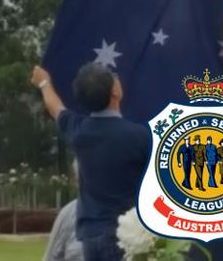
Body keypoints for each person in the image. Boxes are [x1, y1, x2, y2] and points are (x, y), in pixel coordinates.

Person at [31, 63, 151, 261]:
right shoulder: (140, 137)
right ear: (115, 91)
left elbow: (55, 108)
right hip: (126, 237)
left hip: (91, 237)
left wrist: (44, 83)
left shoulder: (79, 131)